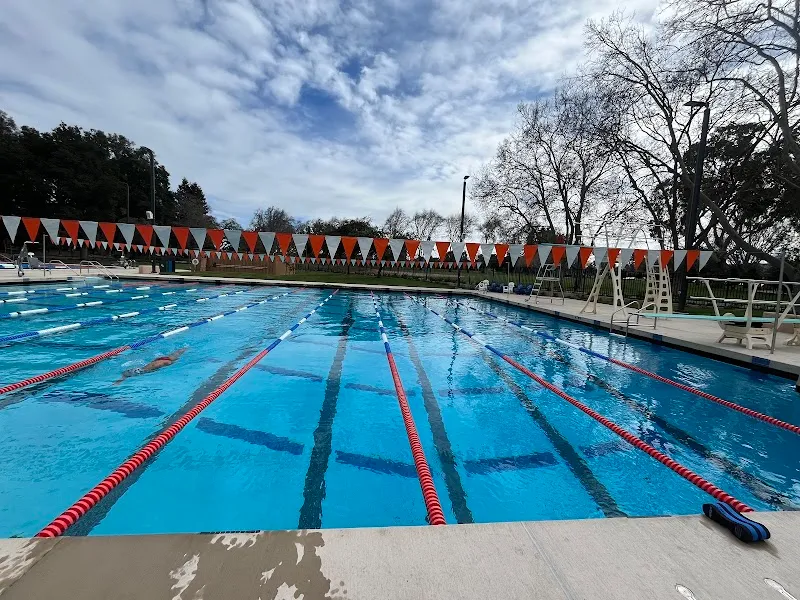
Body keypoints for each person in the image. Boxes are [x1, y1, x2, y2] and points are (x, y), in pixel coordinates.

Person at [114, 348, 188, 385]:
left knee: (127, 374)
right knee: (128, 375)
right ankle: (120, 381)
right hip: (146, 369)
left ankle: (120, 380)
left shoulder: (163, 360)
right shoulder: (168, 362)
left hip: (147, 366)